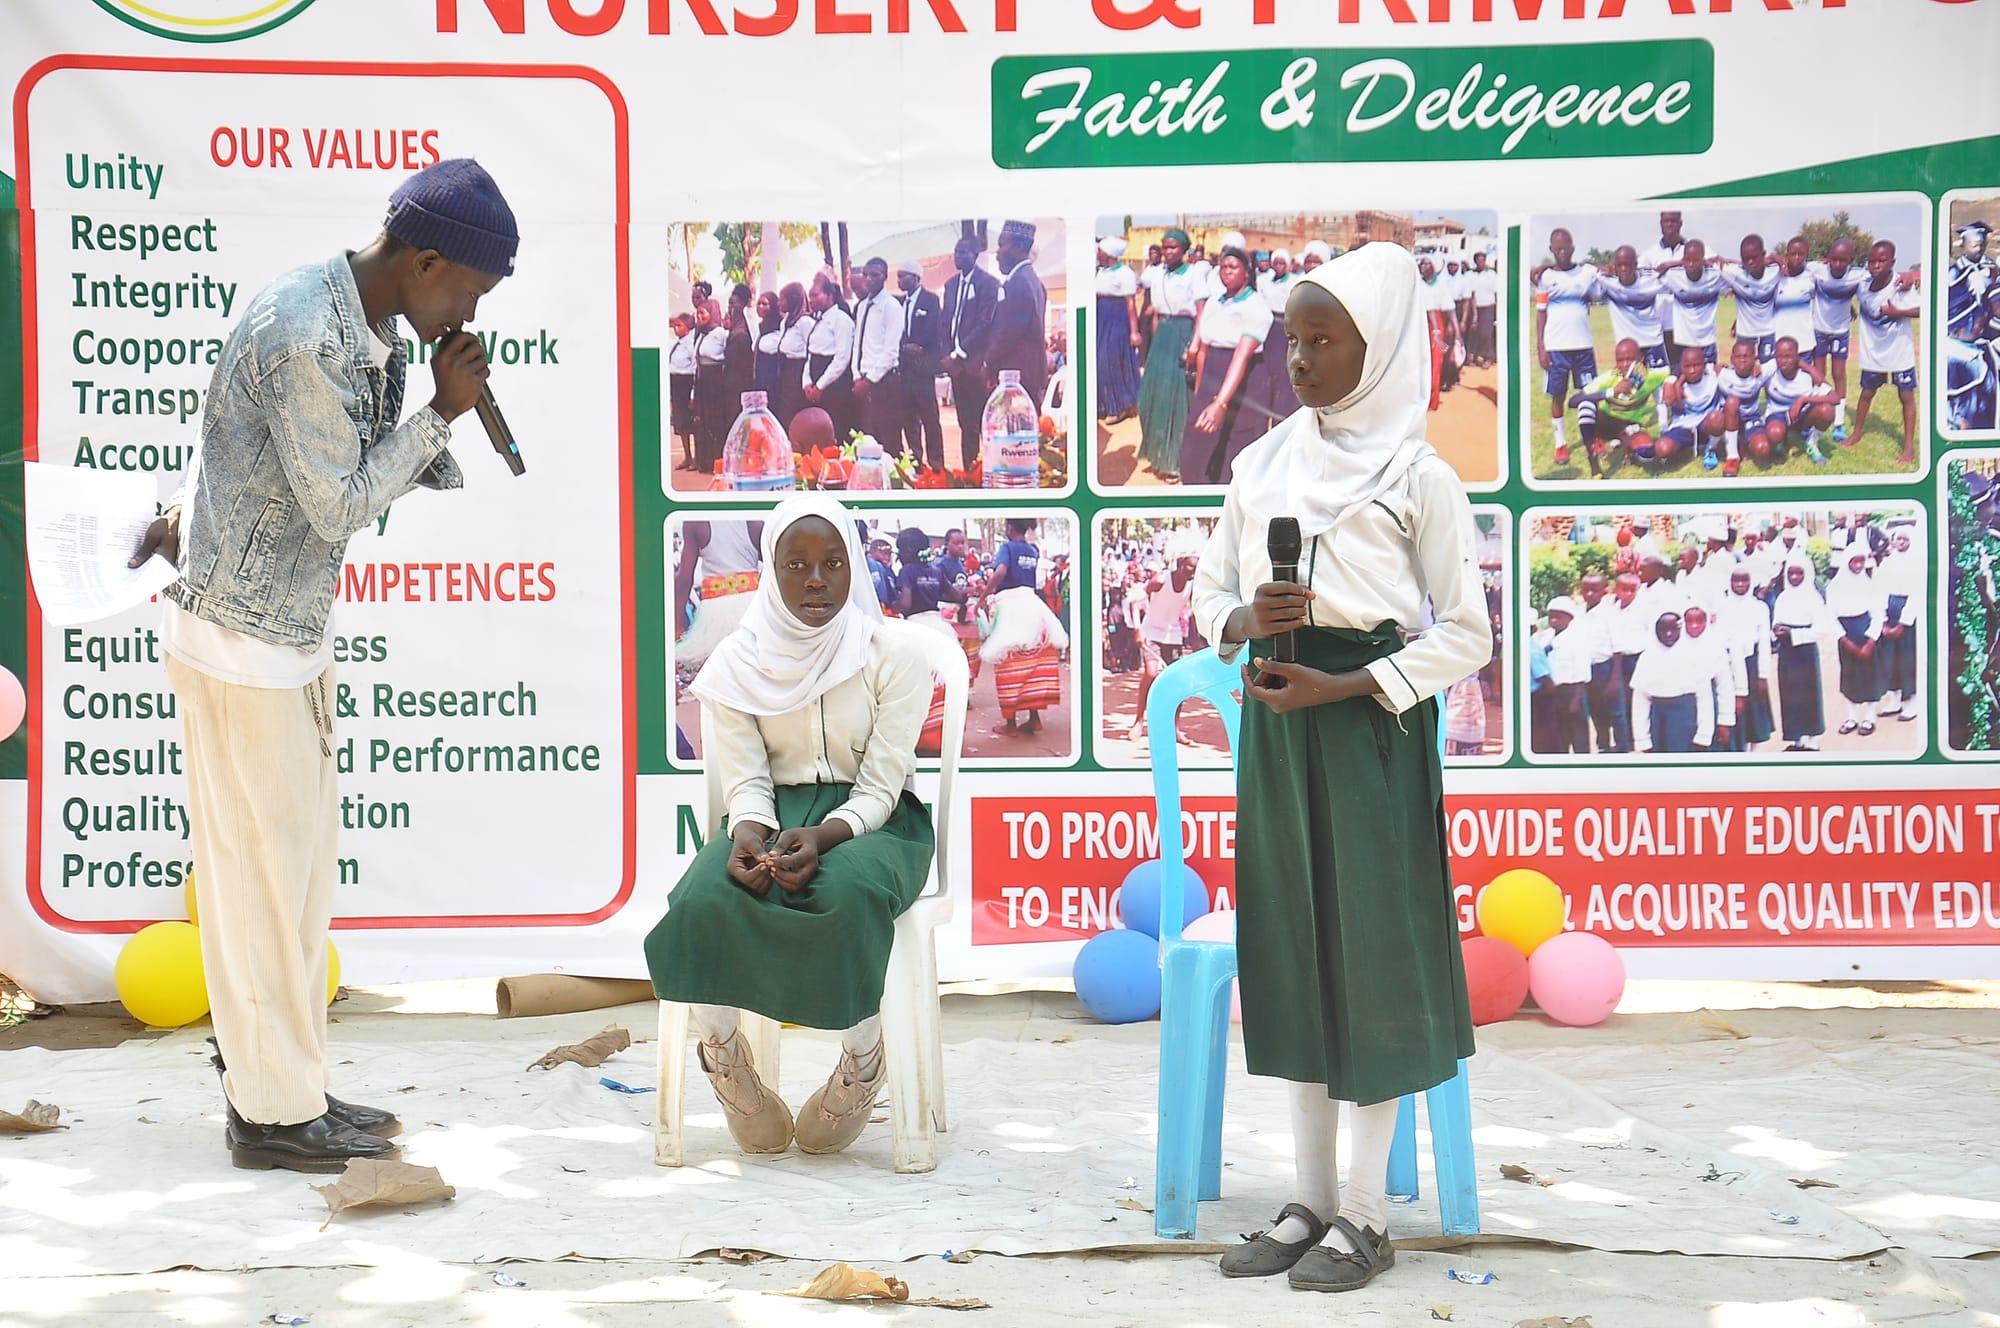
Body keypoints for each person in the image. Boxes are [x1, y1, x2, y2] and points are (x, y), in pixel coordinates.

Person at [130, 157, 514, 1172]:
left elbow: (274, 461)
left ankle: (291, 1083)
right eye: (469, 291)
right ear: (425, 262)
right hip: (241, 643)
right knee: (260, 887)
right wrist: (441, 412)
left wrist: (429, 404)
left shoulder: (366, 323)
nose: (468, 313)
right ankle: (268, 1114)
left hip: (285, 635)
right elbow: (337, 502)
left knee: (296, 885)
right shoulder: (306, 328)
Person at [1191, 242, 1484, 1294]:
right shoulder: (1261, 464)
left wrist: (1345, 684)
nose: (1301, 360)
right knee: (1294, 948)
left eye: (1325, 341)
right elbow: (1205, 593)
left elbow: (1467, 634)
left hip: (1365, 730)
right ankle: (1308, 1199)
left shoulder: (1418, 477)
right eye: (1293, 340)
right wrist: (1241, 617)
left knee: (1368, 957)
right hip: (1279, 728)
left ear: (1382, 349)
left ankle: (1365, 1210)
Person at [645, 496, 936, 1157]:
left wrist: (828, 834)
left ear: (853, 566)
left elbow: (881, 785)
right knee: (704, 899)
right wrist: (748, 832)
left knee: (845, 895)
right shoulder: (734, 663)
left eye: (833, 563)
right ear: (769, 572)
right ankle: (726, 1060)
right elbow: (747, 781)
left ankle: (863, 1063)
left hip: (874, 824)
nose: (815, 580)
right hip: (772, 817)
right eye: (795, 564)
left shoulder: (893, 657)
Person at [1182, 247, 1273, 487]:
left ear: (1246, 273)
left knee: (1236, 446)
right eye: (1223, 267)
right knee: (1196, 448)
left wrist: (1220, 404)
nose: (1227, 272)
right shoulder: (1214, 303)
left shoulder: (1256, 306)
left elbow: (1241, 357)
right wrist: (1201, 393)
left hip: (1245, 381)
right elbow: (1203, 350)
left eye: (1233, 267)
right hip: (1212, 374)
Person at [979, 517, 1068, 737]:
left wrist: (983, 597)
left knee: (1007, 661)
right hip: (1032, 605)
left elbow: (1001, 571)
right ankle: (1034, 718)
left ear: (1009, 527)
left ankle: (1010, 724)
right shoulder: (1032, 549)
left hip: (1011, 607)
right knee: (1033, 660)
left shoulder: (1007, 547)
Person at [1136, 228, 1206, 481]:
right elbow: (1156, 312)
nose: (1167, 252)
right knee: (1150, 397)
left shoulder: (1194, 274)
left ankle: (1174, 462)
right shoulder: (1158, 274)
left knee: (1176, 400)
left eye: (1173, 247)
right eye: (1165, 247)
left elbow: (1202, 313)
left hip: (1183, 333)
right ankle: (1156, 454)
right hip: (1162, 337)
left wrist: (1194, 346)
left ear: (1184, 250)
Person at [1851, 240, 1922, 468]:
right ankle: (1857, 433)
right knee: (1866, 393)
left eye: (1881, 261)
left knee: (1906, 397)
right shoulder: (1862, 285)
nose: (1875, 265)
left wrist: (1897, 312)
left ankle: (1908, 446)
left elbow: (1922, 310)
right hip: (1874, 354)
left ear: (1892, 262)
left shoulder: (1900, 285)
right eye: (1871, 261)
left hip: (1899, 352)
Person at [1535, 227, 1599, 466]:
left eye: (1566, 248)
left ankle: (1593, 438)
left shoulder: (1587, 273)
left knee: (1590, 394)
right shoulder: (1544, 278)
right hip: (1556, 347)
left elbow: (1599, 285)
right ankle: (1560, 444)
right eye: (1557, 249)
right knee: (1557, 396)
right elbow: (1541, 313)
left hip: (1583, 346)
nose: (1562, 252)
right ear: (1551, 249)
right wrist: (1541, 347)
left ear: (1573, 248)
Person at [674, 517, 765, 675]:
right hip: (753, 606)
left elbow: (684, 578)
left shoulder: (696, 522)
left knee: (715, 673)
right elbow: (776, 566)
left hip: (715, 611)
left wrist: (677, 626)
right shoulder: (754, 522)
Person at [940, 234, 1001, 470]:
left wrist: (958, 353)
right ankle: (970, 472)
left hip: (975, 365)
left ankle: (989, 470)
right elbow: (945, 322)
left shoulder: (988, 284)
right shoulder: (950, 285)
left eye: (963, 252)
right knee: (965, 424)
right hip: (956, 368)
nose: (957, 256)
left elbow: (984, 324)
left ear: (975, 256)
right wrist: (947, 355)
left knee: (982, 422)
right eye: (956, 252)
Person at [1570, 338, 1671, 479]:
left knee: (1646, 454)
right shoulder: (1610, 377)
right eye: (1620, 360)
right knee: (1586, 404)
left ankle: (1628, 447)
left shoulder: (1650, 376)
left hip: (1628, 425)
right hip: (1605, 423)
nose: (1624, 365)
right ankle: (1595, 465)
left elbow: (1675, 369)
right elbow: (1573, 401)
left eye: (1629, 359)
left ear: (1640, 358)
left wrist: (1671, 381)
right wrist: (1612, 391)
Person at [1130, 549, 1197, 737]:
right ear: (1179, 564)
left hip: (1173, 635)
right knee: (1151, 673)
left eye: (1195, 569)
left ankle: (1175, 728)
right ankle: (1139, 721)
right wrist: (1137, 628)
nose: (1192, 572)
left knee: (1177, 680)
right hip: (1151, 631)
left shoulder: (1192, 585)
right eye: (1189, 567)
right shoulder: (1160, 580)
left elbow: (1194, 612)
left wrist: (1197, 639)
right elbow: (1135, 601)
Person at [1630, 607, 1713, 754]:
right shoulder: (1647, 658)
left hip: (1686, 718)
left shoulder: (1693, 655)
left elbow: (1704, 698)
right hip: (1657, 719)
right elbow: (1640, 702)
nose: (1668, 634)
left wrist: (1703, 735)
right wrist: (1642, 739)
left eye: (1673, 629)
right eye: (1663, 630)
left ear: (1680, 629)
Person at [988, 220, 1050, 414]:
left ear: (1020, 246)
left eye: (1002, 245)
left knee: (1015, 430)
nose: (997, 253)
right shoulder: (1034, 281)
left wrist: (987, 362)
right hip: (1029, 374)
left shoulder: (1018, 283)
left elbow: (1007, 335)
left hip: (1017, 377)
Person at [1808, 238, 1865, 441]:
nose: (1838, 264)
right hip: (1819, 330)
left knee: (1839, 374)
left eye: (1843, 260)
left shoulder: (1857, 275)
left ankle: (1838, 423)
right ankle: (1817, 414)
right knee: (1819, 375)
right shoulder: (1817, 270)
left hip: (1840, 332)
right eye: (1834, 259)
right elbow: (1791, 265)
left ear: (1851, 260)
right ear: (1828, 258)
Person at [1771, 554, 1830, 751]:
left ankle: (1813, 741)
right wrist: (1777, 631)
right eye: (1791, 573)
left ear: (1808, 574)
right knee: (1790, 694)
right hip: (1787, 652)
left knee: (1809, 693)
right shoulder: (1783, 597)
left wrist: (1794, 634)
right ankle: (1796, 739)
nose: (1794, 577)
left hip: (1805, 651)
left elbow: (1822, 629)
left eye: (1799, 573)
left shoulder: (1813, 598)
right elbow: (1776, 622)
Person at [1827, 546, 1887, 736]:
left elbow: (1877, 613)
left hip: (1865, 632)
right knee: (1850, 675)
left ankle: (1870, 718)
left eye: (1862, 561)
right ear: (1847, 561)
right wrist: (1844, 640)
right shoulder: (1834, 586)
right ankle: (1851, 717)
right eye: (1855, 561)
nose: (1859, 565)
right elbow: (1830, 616)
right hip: (1846, 634)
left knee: (1870, 676)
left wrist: (1871, 641)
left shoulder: (1869, 585)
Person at [849, 257, 905, 456]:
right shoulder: (862, 306)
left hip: (884, 382)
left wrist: (869, 381)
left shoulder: (892, 306)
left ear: (885, 277)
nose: (869, 279)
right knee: (868, 441)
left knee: (889, 441)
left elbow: (890, 351)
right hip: (862, 381)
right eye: (865, 274)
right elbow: (857, 344)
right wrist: (856, 375)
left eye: (875, 275)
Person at [893, 260, 945, 470]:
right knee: (909, 419)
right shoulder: (898, 303)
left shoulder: (930, 300)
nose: (899, 280)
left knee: (930, 418)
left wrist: (919, 346)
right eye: (898, 276)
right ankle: (916, 462)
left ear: (915, 277)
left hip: (923, 369)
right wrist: (904, 348)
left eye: (903, 275)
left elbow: (934, 331)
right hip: (904, 370)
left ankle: (936, 463)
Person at [1717, 567, 1775, 751]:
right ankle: (1740, 752)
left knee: (1756, 716)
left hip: (1752, 665)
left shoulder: (1759, 607)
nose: (1740, 584)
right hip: (1729, 668)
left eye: (1744, 580)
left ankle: (1757, 755)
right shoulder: (1722, 606)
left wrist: (1763, 674)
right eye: (1736, 580)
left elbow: (1764, 641)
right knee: (1736, 714)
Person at [803, 270, 858, 444]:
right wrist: (807, 383)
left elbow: (842, 358)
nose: (811, 300)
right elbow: (810, 354)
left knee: (836, 430)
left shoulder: (841, 320)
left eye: (815, 295)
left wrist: (820, 386)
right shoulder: (818, 321)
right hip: (816, 380)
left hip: (834, 385)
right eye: (810, 296)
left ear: (829, 295)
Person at [1593, 246, 1667, 369]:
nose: (1624, 269)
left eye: (1627, 264)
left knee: (1659, 380)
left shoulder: (1652, 280)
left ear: (1636, 265)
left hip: (1653, 341)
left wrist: (1672, 264)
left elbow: (1680, 274)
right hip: (1627, 347)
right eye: (1620, 265)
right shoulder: (1606, 280)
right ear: (1614, 266)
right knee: (1631, 381)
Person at [1095, 236, 1143, 424]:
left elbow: (1130, 304)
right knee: (1098, 361)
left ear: (1109, 253)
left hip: (1117, 319)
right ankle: (1103, 404)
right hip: (1101, 317)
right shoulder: (1101, 272)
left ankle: (1120, 406)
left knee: (1111, 361)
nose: (1098, 253)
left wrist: (1134, 332)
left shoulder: (1125, 274)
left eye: (1100, 250)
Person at [1877, 528, 1923, 724]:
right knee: (1890, 658)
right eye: (1899, 539)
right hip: (1889, 610)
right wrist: (1883, 620)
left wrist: (1903, 623)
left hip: (1908, 612)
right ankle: (1894, 701)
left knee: (1907, 659)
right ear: (1893, 541)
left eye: (1906, 539)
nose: (1902, 542)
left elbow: (1917, 593)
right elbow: (1879, 590)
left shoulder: (1917, 562)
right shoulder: (1887, 563)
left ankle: (1912, 702)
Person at [1659, 239, 1725, 369]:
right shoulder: (1673, 276)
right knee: (1681, 379)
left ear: (1703, 260)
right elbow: (1648, 273)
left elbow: (1744, 270)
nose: (1691, 264)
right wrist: (1672, 264)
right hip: (1682, 343)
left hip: (1707, 343)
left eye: (1696, 260)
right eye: (1687, 260)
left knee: (1709, 379)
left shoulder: (1716, 276)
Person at [1718, 234, 1780, 366]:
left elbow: (1791, 266)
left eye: (1755, 257)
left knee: (1769, 371)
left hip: (1769, 332)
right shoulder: (1734, 274)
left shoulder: (1775, 271)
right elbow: (1706, 261)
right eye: (1746, 259)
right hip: (1745, 333)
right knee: (1743, 371)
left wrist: (1777, 259)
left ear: (1763, 254)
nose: (1750, 262)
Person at [1542, 596, 1592, 754]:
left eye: (1559, 617)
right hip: (1555, 691)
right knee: (1560, 732)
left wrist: (1576, 699)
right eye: (1551, 616)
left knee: (1578, 732)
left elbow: (1582, 669)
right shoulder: (1547, 637)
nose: (1554, 620)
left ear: (1570, 618)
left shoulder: (1577, 638)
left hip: (1573, 691)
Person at [1638, 210, 1685, 365]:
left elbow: (1709, 261)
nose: (1670, 224)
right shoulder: (1650, 254)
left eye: (1674, 221)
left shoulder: (1691, 249)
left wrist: (1672, 264)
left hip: (1687, 322)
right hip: (1662, 322)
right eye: (1666, 221)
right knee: (1666, 367)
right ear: (1661, 224)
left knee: (1686, 367)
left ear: (1680, 224)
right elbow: (1638, 282)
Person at [692, 301, 732, 473]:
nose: (699, 317)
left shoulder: (721, 333)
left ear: (712, 313)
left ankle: (717, 460)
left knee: (715, 421)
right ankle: (704, 461)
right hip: (701, 380)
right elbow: (696, 360)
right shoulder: (701, 334)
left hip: (715, 381)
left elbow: (727, 357)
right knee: (702, 421)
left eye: (703, 313)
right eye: (698, 313)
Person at [774, 281, 814, 432]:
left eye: (782, 299)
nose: (779, 303)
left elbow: (811, 350)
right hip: (785, 369)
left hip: (798, 371)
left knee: (795, 411)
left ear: (792, 300)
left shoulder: (805, 322)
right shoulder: (785, 321)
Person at [666, 311, 699, 471]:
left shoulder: (691, 344)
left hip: (686, 383)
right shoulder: (676, 344)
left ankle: (697, 457)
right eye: (675, 326)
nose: (676, 329)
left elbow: (695, 368)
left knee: (690, 422)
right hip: (675, 384)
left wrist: (693, 393)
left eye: (679, 325)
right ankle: (687, 456)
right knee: (680, 423)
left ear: (688, 326)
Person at [753, 289, 786, 399]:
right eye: (758, 303)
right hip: (759, 379)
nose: (760, 307)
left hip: (772, 382)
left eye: (764, 304)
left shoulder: (780, 327)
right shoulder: (761, 327)